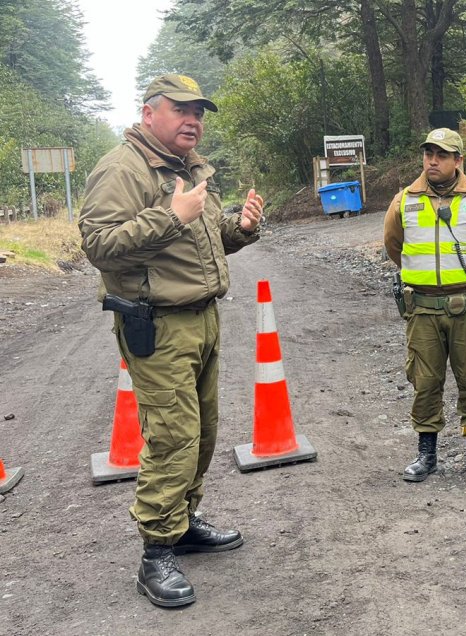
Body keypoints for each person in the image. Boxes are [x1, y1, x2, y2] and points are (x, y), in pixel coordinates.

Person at [79, 74, 261, 608]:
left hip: (201, 318)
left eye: (199, 112)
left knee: (203, 431)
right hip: (154, 325)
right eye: (181, 109)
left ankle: (182, 524)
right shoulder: (122, 168)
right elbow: (99, 246)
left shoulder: (187, 169)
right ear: (148, 112)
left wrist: (242, 228)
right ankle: (155, 553)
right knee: (174, 437)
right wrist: (168, 215)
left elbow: (203, 241)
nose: (193, 121)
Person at [383, 128, 466, 483]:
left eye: (441, 155)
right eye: (428, 154)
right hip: (422, 308)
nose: (433, 161)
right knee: (425, 381)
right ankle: (427, 454)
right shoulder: (403, 201)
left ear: (458, 160)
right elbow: (395, 246)